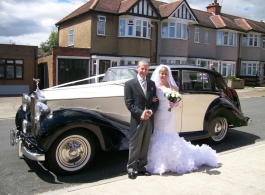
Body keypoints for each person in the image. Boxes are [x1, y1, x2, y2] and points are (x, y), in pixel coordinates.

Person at [146, 65, 219, 175]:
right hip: (158, 114)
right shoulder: (155, 86)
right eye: (162, 73)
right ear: (158, 74)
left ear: (168, 75)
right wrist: (152, 99)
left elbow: (177, 102)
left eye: (165, 74)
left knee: (168, 134)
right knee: (157, 133)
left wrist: (173, 103)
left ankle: (170, 161)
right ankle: (157, 161)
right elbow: (150, 99)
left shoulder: (172, 87)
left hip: (169, 114)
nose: (163, 75)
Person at [124, 61, 159, 179]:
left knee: (145, 143)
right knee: (135, 144)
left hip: (149, 119)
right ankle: (131, 169)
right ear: (137, 68)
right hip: (137, 119)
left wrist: (150, 111)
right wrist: (141, 113)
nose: (144, 71)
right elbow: (129, 104)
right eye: (142, 69)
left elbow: (156, 101)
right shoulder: (129, 84)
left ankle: (141, 167)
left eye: (146, 69)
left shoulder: (152, 84)